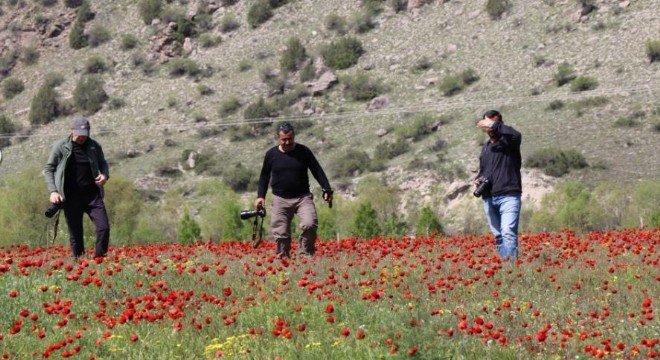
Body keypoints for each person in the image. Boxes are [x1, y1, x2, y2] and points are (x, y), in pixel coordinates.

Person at [254, 122, 333, 259]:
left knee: (310, 223)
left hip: (303, 197)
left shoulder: (304, 151)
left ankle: (305, 254)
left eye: (290, 138)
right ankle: (283, 259)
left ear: (294, 136)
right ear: (278, 138)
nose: (287, 142)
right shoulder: (271, 154)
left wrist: (327, 189)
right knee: (281, 232)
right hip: (280, 199)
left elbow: (317, 170)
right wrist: (260, 196)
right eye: (284, 139)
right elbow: (264, 176)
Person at [44, 117, 110, 260]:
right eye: (79, 133)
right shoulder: (60, 146)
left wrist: (105, 175)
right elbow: (49, 169)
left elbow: (103, 163)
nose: (81, 137)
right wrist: (53, 191)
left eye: (84, 133)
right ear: (72, 130)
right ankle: (79, 263)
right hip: (70, 198)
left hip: (93, 196)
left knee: (103, 228)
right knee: (76, 235)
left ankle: (99, 260)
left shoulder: (94, 146)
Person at [474, 110, 522, 260]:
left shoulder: (509, 142)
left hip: (508, 194)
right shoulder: (486, 147)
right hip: (489, 197)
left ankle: (511, 271)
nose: (490, 129)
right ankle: (505, 267)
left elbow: (516, 135)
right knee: (499, 236)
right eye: (487, 126)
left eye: (493, 124)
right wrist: (478, 180)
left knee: (507, 232)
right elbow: (484, 170)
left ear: (499, 123)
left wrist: (491, 124)